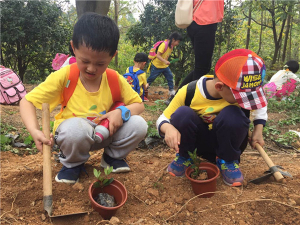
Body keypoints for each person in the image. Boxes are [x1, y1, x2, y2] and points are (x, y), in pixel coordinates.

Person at [20, 13, 148, 184]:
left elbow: (139, 105)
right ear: (74, 48)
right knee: (76, 130)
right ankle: (72, 164)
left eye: (100, 63)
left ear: (112, 56)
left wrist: (121, 111)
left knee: (139, 125)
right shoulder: (65, 77)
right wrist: (35, 131)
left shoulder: (114, 79)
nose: (91, 69)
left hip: (104, 132)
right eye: (84, 60)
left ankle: (111, 158)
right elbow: (26, 101)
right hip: (74, 137)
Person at [156, 49, 268, 187]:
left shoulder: (240, 90)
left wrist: (258, 129)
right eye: (242, 97)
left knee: (232, 115)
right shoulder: (189, 91)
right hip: (198, 144)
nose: (247, 102)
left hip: (228, 145)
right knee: (182, 114)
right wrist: (167, 128)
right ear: (220, 87)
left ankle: (228, 161)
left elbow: (260, 105)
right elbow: (162, 118)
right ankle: (185, 157)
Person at [165, 0, 224, 105]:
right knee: (201, 68)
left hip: (196, 22)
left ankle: (177, 98)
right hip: (205, 21)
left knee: (202, 67)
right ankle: (188, 102)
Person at [147, 32, 182, 99]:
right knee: (151, 79)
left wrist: (166, 61)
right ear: (173, 39)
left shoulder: (171, 46)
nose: (178, 44)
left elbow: (165, 56)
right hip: (157, 66)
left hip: (164, 66)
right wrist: (165, 61)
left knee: (170, 77)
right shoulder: (164, 45)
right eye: (178, 41)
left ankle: (171, 91)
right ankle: (143, 90)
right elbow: (158, 55)